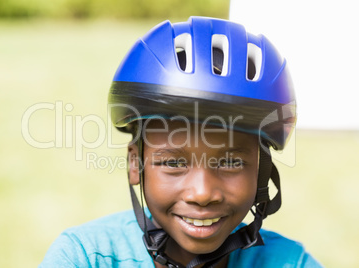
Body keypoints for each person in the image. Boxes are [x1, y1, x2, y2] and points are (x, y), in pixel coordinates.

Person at [40, 16, 322, 267]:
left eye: (231, 162)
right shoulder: (84, 258)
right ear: (135, 164)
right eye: (174, 162)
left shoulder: (290, 263)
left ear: (261, 171)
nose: (202, 194)